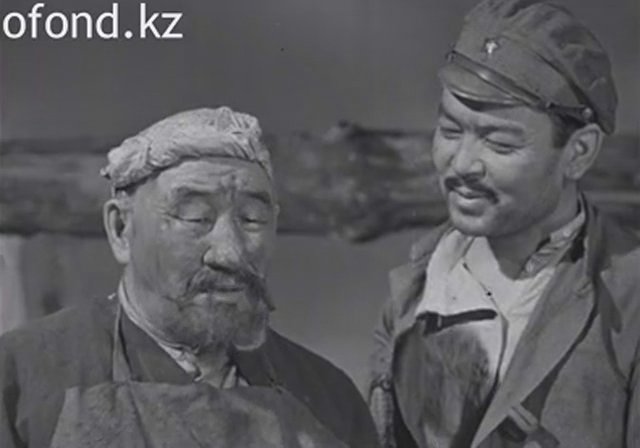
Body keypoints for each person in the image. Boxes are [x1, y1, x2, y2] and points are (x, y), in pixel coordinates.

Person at [0, 107, 379, 448]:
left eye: (252, 220)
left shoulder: (329, 398)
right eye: (196, 218)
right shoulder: (23, 376)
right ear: (121, 229)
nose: (230, 253)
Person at [368, 1, 640, 447]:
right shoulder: (414, 289)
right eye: (450, 131)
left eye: (499, 143)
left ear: (579, 152)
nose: (462, 163)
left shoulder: (629, 299)